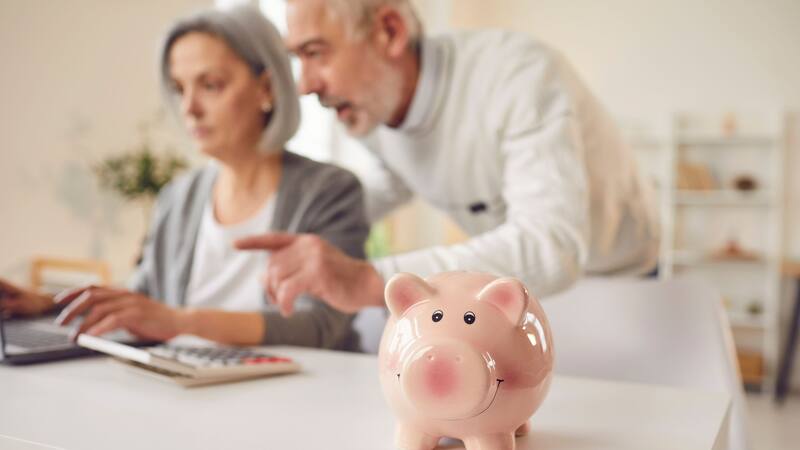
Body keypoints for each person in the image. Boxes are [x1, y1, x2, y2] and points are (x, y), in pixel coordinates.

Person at [234, 0, 659, 315]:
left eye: (316, 53)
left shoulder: (518, 76)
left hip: (622, 280)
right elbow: (393, 180)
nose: (305, 85)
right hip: (521, 286)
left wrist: (367, 279)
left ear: (390, 30)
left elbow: (552, 248)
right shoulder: (371, 107)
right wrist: (300, 222)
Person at [0, 4, 368, 350]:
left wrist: (179, 321)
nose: (189, 108)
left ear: (266, 89)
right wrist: (46, 303)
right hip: (186, 387)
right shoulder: (178, 196)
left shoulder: (331, 191)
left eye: (211, 85)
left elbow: (318, 325)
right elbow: (141, 298)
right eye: (180, 88)